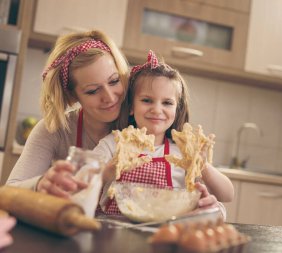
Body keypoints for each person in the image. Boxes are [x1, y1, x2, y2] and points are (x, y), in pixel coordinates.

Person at [92, 50, 234, 216]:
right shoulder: (114, 144)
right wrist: (107, 172)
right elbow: (82, 181)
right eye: (147, 100)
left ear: (176, 109)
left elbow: (227, 195)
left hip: (164, 232)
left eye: (167, 103)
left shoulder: (184, 154)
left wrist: (203, 167)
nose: (157, 110)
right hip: (115, 231)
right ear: (131, 107)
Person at [6, 30, 129, 198]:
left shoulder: (142, 125)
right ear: (72, 95)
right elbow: (8, 191)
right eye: (92, 91)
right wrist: (40, 184)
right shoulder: (56, 129)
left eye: (114, 81)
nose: (109, 97)